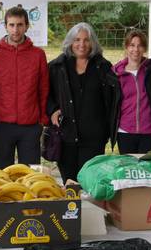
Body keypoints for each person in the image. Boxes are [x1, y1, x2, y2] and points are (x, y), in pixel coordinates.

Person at [47, 23, 119, 183]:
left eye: (86, 40)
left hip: (94, 138)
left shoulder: (103, 67)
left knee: (88, 183)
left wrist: (108, 129)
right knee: (69, 184)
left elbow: (113, 100)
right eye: (77, 40)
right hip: (66, 136)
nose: (82, 44)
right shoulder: (57, 66)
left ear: (93, 43)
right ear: (70, 42)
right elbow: (45, 94)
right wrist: (52, 110)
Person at [0, 6, 49, 169]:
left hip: (31, 126)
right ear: (5, 26)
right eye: (12, 25)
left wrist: (42, 119)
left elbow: (43, 88)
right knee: (2, 175)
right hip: (2, 126)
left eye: (20, 25)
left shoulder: (38, 55)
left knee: (30, 176)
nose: (15, 30)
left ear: (27, 26)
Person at [112, 29, 151, 154]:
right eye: (132, 45)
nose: (136, 49)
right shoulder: (115, 73)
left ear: (144, 48)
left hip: (150, 132)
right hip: (125, 132)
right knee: (129, 166)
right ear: (126, 47)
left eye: (140, 45)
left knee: (148, 166)